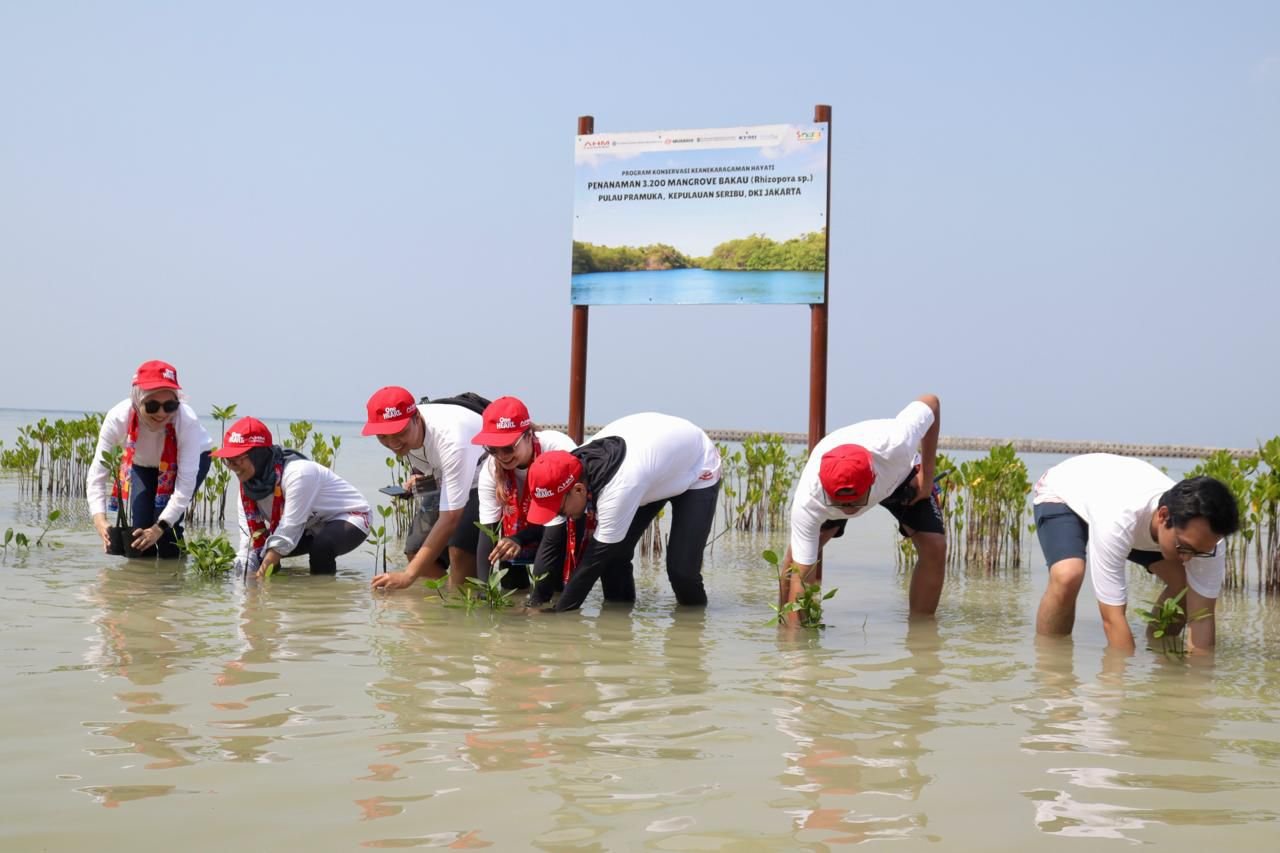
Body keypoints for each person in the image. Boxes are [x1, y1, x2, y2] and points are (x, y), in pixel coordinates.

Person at [1032, 454, 1239, 653]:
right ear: (1163, 516)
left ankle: (1160, 649)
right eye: (1183, 547)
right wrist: (1124, 678)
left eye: (1198, 552)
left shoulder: (1210, 541)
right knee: (1068, 574)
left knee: (1185, 586)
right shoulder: (1118, 519)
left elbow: (1202, 618)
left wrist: (1196, 682)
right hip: (1064, 494)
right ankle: (1051, 664)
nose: (1187, 558)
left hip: (1130, 519)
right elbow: (1112, 619)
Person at [523, 412, 722, 611]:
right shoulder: (573, 464)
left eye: (558, 509)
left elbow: (592, 564)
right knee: (615, 557)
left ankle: (693, 628)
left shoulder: (619, 489)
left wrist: (558, 613)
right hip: (652, 469)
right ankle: (618, 622)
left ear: (578, 490)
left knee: (682, 572)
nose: (558, 515)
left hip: (697, 466)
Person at [781, 394, 944, 621]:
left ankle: (921, 631)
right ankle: (783, 624)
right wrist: (796, 652)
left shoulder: (898, 442)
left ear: (873, 480)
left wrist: (926, 479)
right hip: (835, 477)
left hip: (899, 476)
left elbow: (931, 402)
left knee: (935, 546)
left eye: (855, 502)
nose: (850, 510)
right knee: (797, 565)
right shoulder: (809, 500)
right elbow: (802, 577)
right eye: (841, 504)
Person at [214, 417, 370, 578]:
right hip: (308, 525)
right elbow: (249, 541)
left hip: (349, 517)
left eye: (238, 460)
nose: (232, 467)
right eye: (228, 461)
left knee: (320, 547)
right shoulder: (247, 489)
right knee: (261, 553)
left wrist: (260, 577)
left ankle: (323, 597)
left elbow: (289, 528)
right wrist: (243, 581)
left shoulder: (298, 473)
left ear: (258, 455)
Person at [363, 386, 485, 591]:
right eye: (382, 436)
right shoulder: (408, 433)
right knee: (415, 549)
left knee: (459, 550)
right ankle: (445, 603)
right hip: (444, 476)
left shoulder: (452, 440)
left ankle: (466, 603)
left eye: (399, 433)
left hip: (482, 474)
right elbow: (422, 455)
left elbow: (451, 518)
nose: (393, 443)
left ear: (416, 417)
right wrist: (417, 476)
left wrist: (407, 576)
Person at [87, 360, 213, 557]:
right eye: (152, 406)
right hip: (143, 463)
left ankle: (173, 581)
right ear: (138, 401)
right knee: (140, 529)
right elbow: (97, 474)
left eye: (170, 405)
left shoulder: (186, 420)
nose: (162, 413)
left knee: (165, 529)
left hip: (190, 459)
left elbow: (185, 485)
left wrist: (159, 527)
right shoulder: (118, 418)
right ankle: (143, 583)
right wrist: (100, 521)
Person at [470, 396, 576, 587]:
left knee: (551, 589)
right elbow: (488, 533)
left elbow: (559, 523)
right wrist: (484, 592)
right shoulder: (490, 469)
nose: (501, 457)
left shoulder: (559, 450)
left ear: (528, 435)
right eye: (493, 449)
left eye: (508, 448)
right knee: (509, 577)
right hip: (518, 529)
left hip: (562, 525)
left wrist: (520, 538)